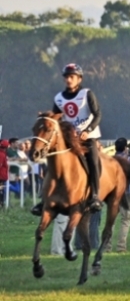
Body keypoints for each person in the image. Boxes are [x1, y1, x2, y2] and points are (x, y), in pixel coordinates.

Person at [32, 64, 104, 216]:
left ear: (79, 79)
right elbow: (54, 119)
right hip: (69, 138)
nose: (69, 80)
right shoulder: (59, 98)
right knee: (53, 161)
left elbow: (97, 114)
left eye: (72, 77)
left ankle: (95, 196)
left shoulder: (87, 94)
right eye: (66, 77)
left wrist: (87, 131)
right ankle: (44, 198)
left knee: (92, 161)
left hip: (87, 137)